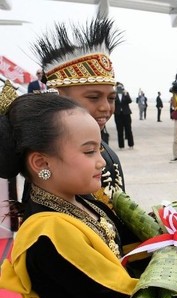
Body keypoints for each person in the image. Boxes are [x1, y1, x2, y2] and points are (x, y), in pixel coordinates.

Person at [0, 93, 177, 298]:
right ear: (42, 163)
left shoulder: (81, 199)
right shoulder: (49, 233)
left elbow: (126, 246)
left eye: (100, 148)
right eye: (89, 151)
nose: (102, 161)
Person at [31, 17, 126, 199]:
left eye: (111, 98)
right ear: (58, 95)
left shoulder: (104, 149)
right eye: (93, 97)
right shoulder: (50, 160)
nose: (105, 107)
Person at [114, 82, 134, 150]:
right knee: (119, 130)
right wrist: (115, 93)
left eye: (121, 87)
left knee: (128, 129)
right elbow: (113, 101)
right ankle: (121, 146)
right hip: (118, 114)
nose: (119, 89)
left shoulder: (126, 94)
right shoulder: (114, 94)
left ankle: (131, 144)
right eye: (118, 87)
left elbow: (130, 101)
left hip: (126, 114)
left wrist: (126, 94)